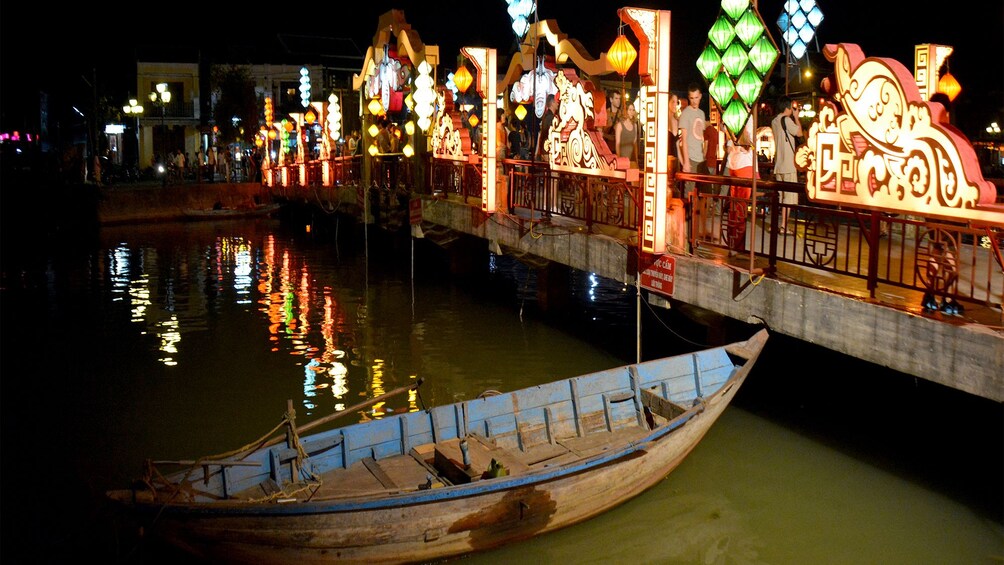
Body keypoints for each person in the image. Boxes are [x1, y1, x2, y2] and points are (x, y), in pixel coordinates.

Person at [679, 83, 710, 238]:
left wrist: (704, 156)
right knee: (689, 197)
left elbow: (701, 137)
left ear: (700, 97)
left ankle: (696, 231)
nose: (694, 101)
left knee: (703, 196)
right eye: (691, 98)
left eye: (696, 97)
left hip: (700, 158)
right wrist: (685, 161)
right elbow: (683, 140)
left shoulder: (702, 113)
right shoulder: (685, 114)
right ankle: (686, 233)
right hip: (690, 158)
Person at [723, 123, 758, 254]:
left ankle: (732, 245)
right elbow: (749, 148)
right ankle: (737, 247)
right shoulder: (748, 117)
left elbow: (728, 147)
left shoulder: (732, 115)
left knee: (735, 208)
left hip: (734, 166)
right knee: (740, 209)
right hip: (744, 167)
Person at [771, 96, 803, 234]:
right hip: (789, 165)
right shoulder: (787, 120)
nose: (793, 109)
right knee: (788, 198)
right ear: (787, 107)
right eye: (792, 107)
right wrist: (796, 117)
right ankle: (784, 226)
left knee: (782, 196)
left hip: (779, 165)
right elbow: (799, 133)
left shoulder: (774, 121)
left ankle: (780, 224)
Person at [536, 94, 558, 161]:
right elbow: (547, 134)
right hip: (548, 149)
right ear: (552, 103)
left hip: (546, 148)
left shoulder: (547, 116)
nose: (558, 103)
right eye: (556, 102)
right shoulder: (549, 117)